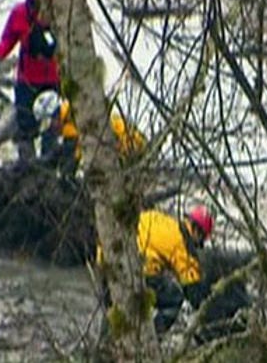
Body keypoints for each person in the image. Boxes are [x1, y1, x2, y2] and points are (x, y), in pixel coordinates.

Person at [0, 0, 60, 162]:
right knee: (25, 129)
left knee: (52, 130)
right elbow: (6, 42)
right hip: (26, 82)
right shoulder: (19, 14)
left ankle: (49, 166)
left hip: (52, 83)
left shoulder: (60, 18)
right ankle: (26, 167)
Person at [136, 205, 214, 335]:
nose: (198, 246)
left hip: (108, 256)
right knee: (174, 299)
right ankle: (152, 341)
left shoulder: (160, 219)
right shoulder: (183, 244)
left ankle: (104, 348)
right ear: (197, 232)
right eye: (200, 241)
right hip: (141, 269)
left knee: (115, 311)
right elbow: (191, 288)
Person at [32, 92, 147, 174]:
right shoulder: (68, 120)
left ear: (54, 115)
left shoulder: (77, 114)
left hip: (128, 150)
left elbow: (86, 144)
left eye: (47, 122)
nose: (50, 128)